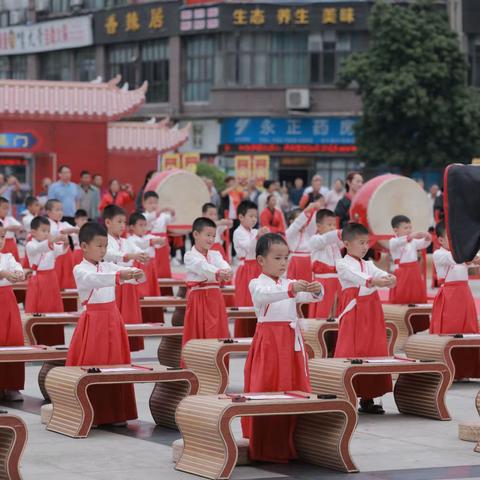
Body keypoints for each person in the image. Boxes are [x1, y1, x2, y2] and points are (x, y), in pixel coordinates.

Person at [243, 233, 323, 462]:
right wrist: (292, 290)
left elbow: (309, 296)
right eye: (277, 258)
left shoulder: (289, 283)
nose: (283, 263)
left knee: (293, 386)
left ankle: (293, 442)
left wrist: (316, 289)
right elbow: (264, 296)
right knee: (268, 387)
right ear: (260, 260)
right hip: (269, 343)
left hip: (290, 342)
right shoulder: (257, 283)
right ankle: (266, 445)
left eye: (285, 258)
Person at [67, 221, 144, 427]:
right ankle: (94, 413)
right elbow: (97, 279)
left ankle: (115, 412)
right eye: (99, 246)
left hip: (113, 319)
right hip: (94, 323)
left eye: (105, 246)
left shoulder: (108, 265)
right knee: (95, 364)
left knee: (116, 364)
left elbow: (126, 273)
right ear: (84, 246)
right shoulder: (80, 269)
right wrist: (121, 275)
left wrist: (136, 275)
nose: (103, 250)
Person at [334, 223, 396, 414]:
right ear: (347, 243)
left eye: (366, 243)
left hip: (372, 312)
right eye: (361, 243)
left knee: (373, 351)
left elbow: (377, 273)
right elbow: (358, 276)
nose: (364, 247)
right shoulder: (342, 263)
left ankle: (368, 397)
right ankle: (344, 394)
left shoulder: (368, 263)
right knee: (351, 351)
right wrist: (374, 281)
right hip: (354, 313)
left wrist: (388, 277)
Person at [182, 217, 232, 351]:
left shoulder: (215, 254)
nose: (211, 239)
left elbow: (224, 264)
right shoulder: (189, 256)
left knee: (217, 332)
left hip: (215, 298)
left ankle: (217, 367)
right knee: (198, 334)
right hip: (198, 299)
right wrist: (218, 272)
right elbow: (202, 267)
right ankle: (197, 367)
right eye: (208, 235)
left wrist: (226, 271)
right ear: (196, 234)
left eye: (213, 236)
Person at [103, 205, 148, 352]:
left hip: (129, 286)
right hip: (114, 285)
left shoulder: (127, 241)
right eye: (119, 221)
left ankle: (126, 349)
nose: (123, 225)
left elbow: (137, 251)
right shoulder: (104, 240)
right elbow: (108, 254)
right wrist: (131, 256)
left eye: (124, 222)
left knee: (130, 320)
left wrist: (142, 255)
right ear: (108, 222)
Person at [25, 216, 68, 345]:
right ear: (33, 232)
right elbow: (39, 248)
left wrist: (65, 242)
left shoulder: (50, 244)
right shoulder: (30, 244)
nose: (46, 233)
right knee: (39, 310)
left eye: (47, 231)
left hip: (51, 279)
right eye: (43, 230)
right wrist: (52, 240)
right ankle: (37, 341)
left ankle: (53, 341)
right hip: (38, 279)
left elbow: (60, 251)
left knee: (52, 309)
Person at [233, 200, 269, 337]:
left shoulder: (254, 231)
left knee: (259, 301)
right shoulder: (238, 232)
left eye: (255, 216)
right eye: (251, 216)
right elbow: (248, 247)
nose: (254, 219)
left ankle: (258, 334)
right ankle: (243, 335)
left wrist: (264, 236)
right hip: (246, 268)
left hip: (257, 267)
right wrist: (258, 236)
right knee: (246, 301)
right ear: (241, 217)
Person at [0, 221, 26, 401]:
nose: (0, 240)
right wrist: (3, 274)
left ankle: (11, 385)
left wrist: (18, 273)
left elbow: (17, 267)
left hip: (8, 301)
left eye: (2, 236)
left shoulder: (7, 256)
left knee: (13, 340)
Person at [308, 209, 343, 318]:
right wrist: (338, 233)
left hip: (338, 280)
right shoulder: (315, 240)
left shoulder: (335, 242)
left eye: (334, 224)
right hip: (323, 282)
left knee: (337, 311)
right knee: (323, 313)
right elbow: (325, 239)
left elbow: (346, 243)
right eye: (329, 224)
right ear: (318, 226)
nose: (333, 227)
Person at [388, 215, 431, 304]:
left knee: (416, 291)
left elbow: (424, 244)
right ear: (396, 230)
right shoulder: (393, 241)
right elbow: (399, 242)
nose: (409, 230)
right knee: (402, 292)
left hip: (414, 270)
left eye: (410, 227)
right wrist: (411, 236)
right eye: (405, 228)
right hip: (402, 271)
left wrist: (427, 237)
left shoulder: (413, 241)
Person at [125, 212, 165, 300]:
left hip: (151, 267)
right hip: (139, 267)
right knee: (141, 291)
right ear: (132, 227)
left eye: (145, 225)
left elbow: (159, 242)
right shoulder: (130, 239)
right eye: (140, 225)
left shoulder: (149, 237)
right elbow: (139, 246)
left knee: (152, 290)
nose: (143, 228)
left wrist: (161, 241)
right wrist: (151, 242)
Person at [142, 191, 175, 289]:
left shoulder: (163, 216)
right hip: (150, 243)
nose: (153, 205)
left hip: (162, 244)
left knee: (163, 266)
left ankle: (165, 292)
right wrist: (158, 212)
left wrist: (172, 211)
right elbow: (148, 219)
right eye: (150, 202)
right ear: (144, 204)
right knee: (151, 265)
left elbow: (172, 219)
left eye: (155, 202)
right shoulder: (143, 216)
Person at [285, 200, 324, 282]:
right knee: (294, 287)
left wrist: (316, 210)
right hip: (295, 262)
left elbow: (313, 223)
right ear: (292, 222)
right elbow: (297, 224)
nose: (304, 221)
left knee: (307, 288)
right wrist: (307, 209)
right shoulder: (289, 233)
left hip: (308, 262)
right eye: (301, 218)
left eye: (305, 219)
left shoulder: (308, 233)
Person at [45, 199, 78, 290]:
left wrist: (73, 230)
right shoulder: (46, 224)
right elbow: (48, 236)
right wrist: (62, 232)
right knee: (55, 277)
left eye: (61, 210)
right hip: (54, 253)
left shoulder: (64, 224)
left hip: (66, 253)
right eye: (57, 210)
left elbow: (78, 231)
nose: (60, 212)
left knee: (66, 278)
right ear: (48, 212)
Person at [0, 197, 21, 261]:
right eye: (4, 208)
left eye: (7, 209)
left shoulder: (10, 219)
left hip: (11, 243)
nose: (6, 211)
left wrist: (7, 228)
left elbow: (19, 226)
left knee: (13, 260)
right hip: (1, 243)